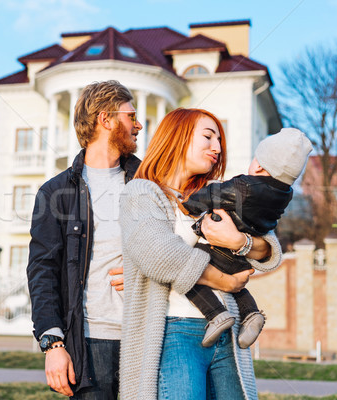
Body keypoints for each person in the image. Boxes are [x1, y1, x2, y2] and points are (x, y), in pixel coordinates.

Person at [119, 108, 283, 400]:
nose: (217, 148)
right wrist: (225, 282)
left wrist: (238, 241)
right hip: (175, 332)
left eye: (219, 141)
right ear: (177, 137)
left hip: (228, 336)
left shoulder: (214, 193)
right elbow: (159, 255)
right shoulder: (143, 193)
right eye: (208, 137)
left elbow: (269, 247)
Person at [27, 80, 142, 399]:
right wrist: (53, 343)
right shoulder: (55, 193)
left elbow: (175, 250)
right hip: (90, 346)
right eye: (131, 116)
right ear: (106, 119)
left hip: (148, 339)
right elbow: (42, 272)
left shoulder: (150, 182)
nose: (139, 124)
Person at [181, 128, 313, 349]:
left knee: (186, 269)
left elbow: (214, 194)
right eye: (208, 137)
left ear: (259, 165)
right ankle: (251, 312)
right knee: (237, 284)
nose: (217, 146)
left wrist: (189, 205)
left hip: (216, 250)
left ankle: (216, 314)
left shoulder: (244, 186)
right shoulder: (284, 195)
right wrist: (244, 244)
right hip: (240, 259)